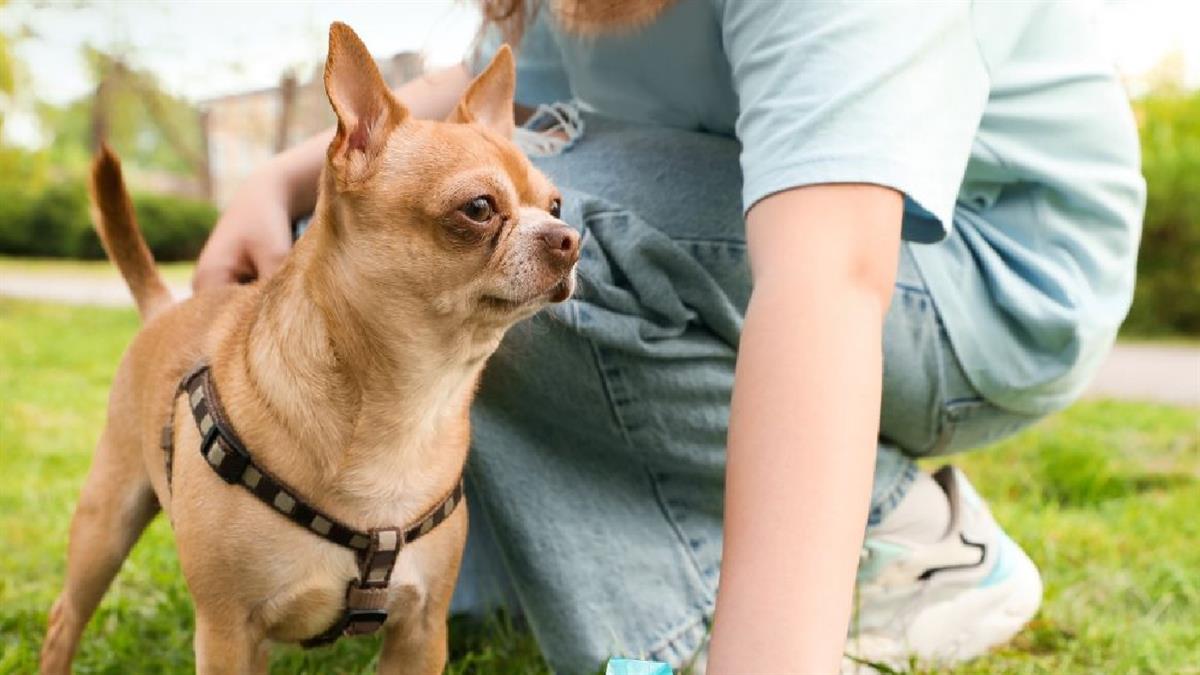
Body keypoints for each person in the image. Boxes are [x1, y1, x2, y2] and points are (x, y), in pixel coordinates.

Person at [194, 1, 1145, 672]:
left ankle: (894, 536)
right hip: (763, 225)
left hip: (980, 279)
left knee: (529, 240)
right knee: (396, 247)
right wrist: (280, 180)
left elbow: (831, 273)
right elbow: (490, 91)